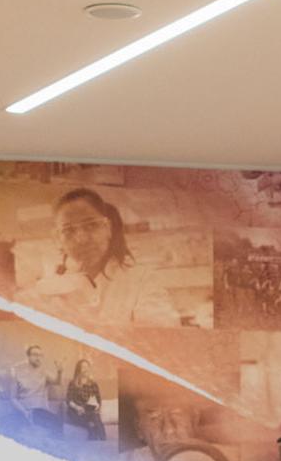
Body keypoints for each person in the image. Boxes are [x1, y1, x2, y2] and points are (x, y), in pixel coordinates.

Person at [31, 186, 187, 327]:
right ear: (58, 238)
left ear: (108, 228)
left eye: (91, 225)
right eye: (68, 230)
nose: (81, 239)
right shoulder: (49, 289)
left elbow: (164, 339)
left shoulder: (141, 279)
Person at [10, 343, 63, 433]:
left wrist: (59, 372)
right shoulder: (17, 373)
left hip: (39, 411)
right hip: (24, 410)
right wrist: (24, 412)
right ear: (28, 356)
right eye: (35, 354)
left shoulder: (44, 372)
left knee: (57, 423)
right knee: (5, 424)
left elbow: (57, 382)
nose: (38, 357)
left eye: (40, 355)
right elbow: (13, 398)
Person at [64, 357, 105, 440]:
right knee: (93, 420)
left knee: (94, 417)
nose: (85, 369)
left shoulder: (93, 384)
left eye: (87, 367)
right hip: (75, 412)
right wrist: (77, 407)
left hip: (89, 412)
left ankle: (101, 439)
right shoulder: (73, 383)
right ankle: (100, 438)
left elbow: (98, 400)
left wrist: (97, 406)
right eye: (83, 367)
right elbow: (68, 399)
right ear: (78, 370)